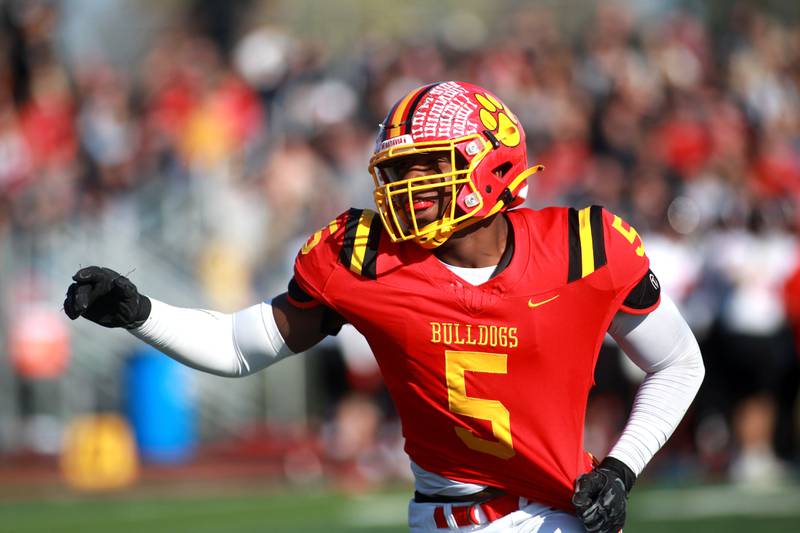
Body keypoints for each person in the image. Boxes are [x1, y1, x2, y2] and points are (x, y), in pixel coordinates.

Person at [64, 81, 705, 533]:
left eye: (428, 166)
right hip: (452, 521)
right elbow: (238, 346)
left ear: (491, 164)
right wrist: (140, 313)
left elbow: (678, 364)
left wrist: (622, 468)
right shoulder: (365, 256)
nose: (407, 189)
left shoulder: (584, 249)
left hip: (572, 514)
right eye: (398, 171)